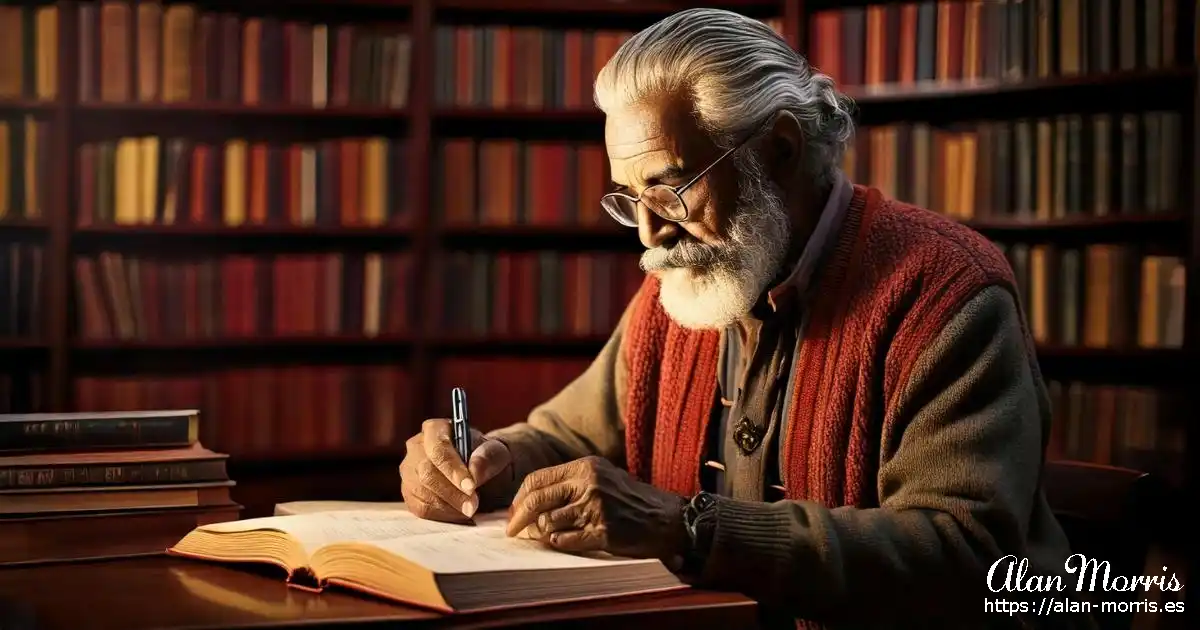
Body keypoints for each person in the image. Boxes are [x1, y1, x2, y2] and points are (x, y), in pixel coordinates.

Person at [399, 8, 1082, 628]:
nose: (648, 234)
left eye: (670, 190)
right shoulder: (683, 292)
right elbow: (562, 436)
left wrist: (689, 529)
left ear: (779, 149)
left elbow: (964, 555)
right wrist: (489, 461)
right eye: (627, 198)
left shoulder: (945, 291)